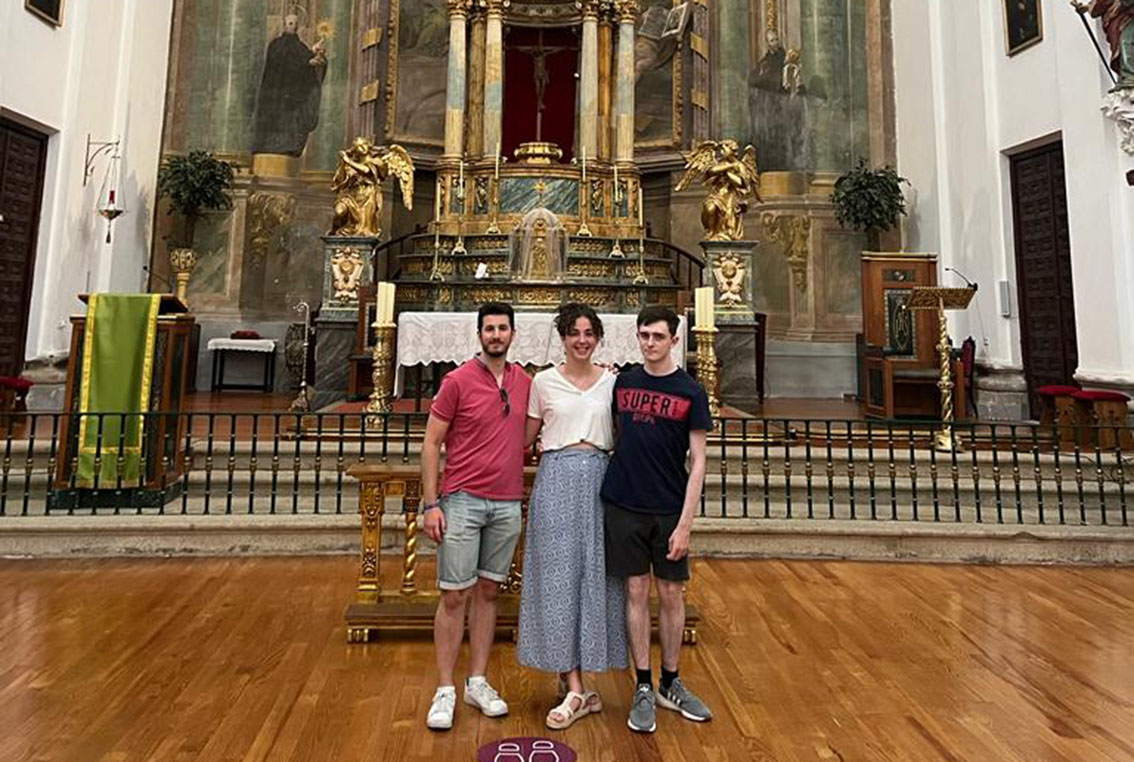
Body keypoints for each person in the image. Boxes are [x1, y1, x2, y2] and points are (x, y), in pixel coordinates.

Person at [600, 305, 713, 733]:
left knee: (670, 592)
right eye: (644, 335)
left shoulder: (691, 391)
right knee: (635, 589)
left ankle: (671, 679)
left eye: (658, 336)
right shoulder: (623, 383)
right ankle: (643, 684)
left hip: (668, 506)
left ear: (674, 341)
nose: (650, 343)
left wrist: (685, 524)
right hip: (624, 502)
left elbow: (698, 461)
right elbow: (614, 432)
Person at [420, 302, 531, 731]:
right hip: (462, 499)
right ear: (479, 334)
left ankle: (477, 680)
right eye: (489, 329)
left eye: (503, 328)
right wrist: (432, 504)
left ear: (513, 334)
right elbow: (432, 443)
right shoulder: (457, 381)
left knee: (488, 592)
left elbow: (532, 429)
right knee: (453, 595)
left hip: (506, 501)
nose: (496, 335)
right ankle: (445, 688)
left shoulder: (525, 382)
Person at [518, 303, 628, 730]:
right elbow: (525, 438)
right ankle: (574, 685)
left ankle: (578, 684)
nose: (581, 340)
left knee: (594, 578)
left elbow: (624, 433)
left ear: (598, 338)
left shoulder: (612, 382)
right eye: (573, 333)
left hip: (600, 479)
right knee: (558, 579)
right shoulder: (542, 382)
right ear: (562, 338)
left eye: (589, 333)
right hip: (557, 478)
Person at [252, 13, 327, 156]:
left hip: (293, 97)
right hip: (276, 94)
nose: (294, 26)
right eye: (291, 23)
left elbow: (306, 64)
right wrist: (308, 60)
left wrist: (318, 59)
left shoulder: (300, 46)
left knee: (291, 126)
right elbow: (284, 62)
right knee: (275, 125)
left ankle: (288, 148)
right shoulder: (276, 45)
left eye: (296, 23)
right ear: (285, 25)